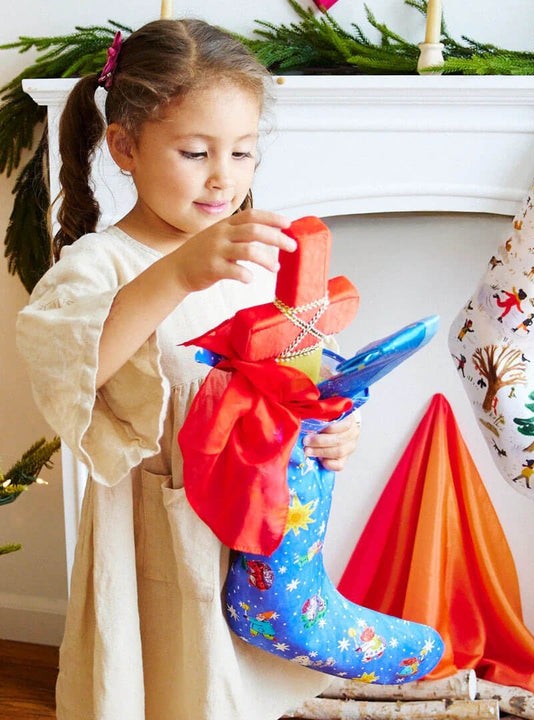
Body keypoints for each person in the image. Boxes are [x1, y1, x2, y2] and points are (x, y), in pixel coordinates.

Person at [16, 18, 360, 720]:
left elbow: (293, 379)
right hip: (152, 536)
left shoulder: (249, 262)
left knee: (231, 690)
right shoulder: (100, 263)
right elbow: (76, 369)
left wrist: (330, 429)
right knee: (162, 683)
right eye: (196, 151)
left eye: (242, 153)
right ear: (125, 148)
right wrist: (178, 274)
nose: (223, 177)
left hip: (250, 531)